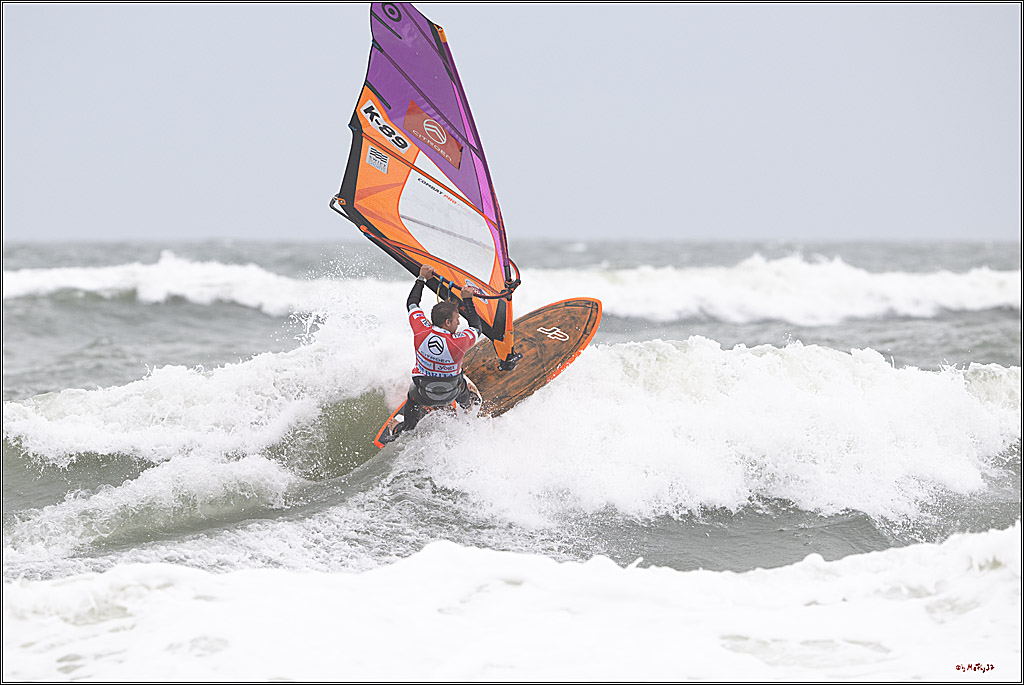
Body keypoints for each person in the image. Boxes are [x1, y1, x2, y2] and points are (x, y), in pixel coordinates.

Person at [383, 265, 482, 441]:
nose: (458, 323)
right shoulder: (460, 342)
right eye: (457, 320)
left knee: (412, 396)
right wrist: (468, 300)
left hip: (423, 395)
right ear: (447, 322)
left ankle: (405, 428)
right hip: (451, 393)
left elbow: (412, 303)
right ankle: (468, 404)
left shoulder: (421, 330)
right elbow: (476, 326)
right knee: (460, 381)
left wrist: (421, 279)